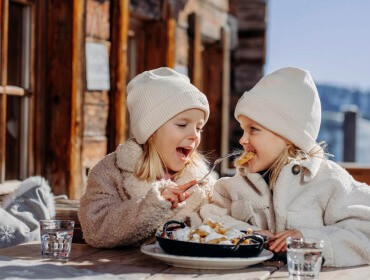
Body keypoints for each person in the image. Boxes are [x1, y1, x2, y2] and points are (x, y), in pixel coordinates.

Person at [200, 67, 370, 267]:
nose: (243, 140)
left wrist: (310, 240)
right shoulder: (235, 186)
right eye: (243, 130)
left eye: (253, 130)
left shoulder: (330, 181)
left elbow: (363, 231)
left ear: (289, 137)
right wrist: (248, 234)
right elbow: (209, 219)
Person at [78, 67, 214, 248]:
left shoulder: (203, 181)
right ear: (151, 131)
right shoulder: (111, 172)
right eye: (182, 124)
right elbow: (96, 228)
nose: (194, 135)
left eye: (199, 128)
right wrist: (153, 205)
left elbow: (222, 222)